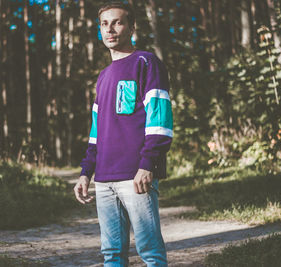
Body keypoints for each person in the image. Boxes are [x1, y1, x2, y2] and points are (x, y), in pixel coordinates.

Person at [73, 2, 173, 266]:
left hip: (135, 176)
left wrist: (148, 163)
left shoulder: (146, 62)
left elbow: (159, 117)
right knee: (112, 255)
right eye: (104, 24)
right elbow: (97, 132)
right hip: (104, 180)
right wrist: (86, 172)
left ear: (131, 27)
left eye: (117, 22)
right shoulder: (103, 77)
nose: (110, 30)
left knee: (150, 252)